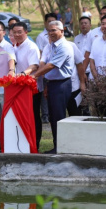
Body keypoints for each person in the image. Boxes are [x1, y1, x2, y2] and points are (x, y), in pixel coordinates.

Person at [33, 20, 74, 154]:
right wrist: (45, 84)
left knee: (59, 116)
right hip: (51, 84)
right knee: (52, 116)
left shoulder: (64, 47)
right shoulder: (50, 46)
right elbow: (43, 61)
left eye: (54, 30)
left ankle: (60, 147)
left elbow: (51, 65)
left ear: (62, 31)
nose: (51, 33)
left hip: (62, 84)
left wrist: (34, 76)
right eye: (49, 31)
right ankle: (56, 145)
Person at [11, 22, 42, 148]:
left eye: (20, 32)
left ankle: (35, 144)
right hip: (18, 88)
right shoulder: (15, 46)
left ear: (26, 32)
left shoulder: (31, 47)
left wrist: (23, 74)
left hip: (31, 88)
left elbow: (34, 65)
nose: (17, 35)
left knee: (33, 116)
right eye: (15, 32)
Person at [35, 13, 58, 124]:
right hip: (44, 70)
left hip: (55, 71)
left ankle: (52, 114)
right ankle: (45, 115)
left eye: (54, 21)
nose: (51, 24)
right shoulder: (41, 36)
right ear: (45, 23)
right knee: (45, 94)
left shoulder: (59, 37)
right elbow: (40, 53)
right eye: (49, 21)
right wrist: (41, 70)